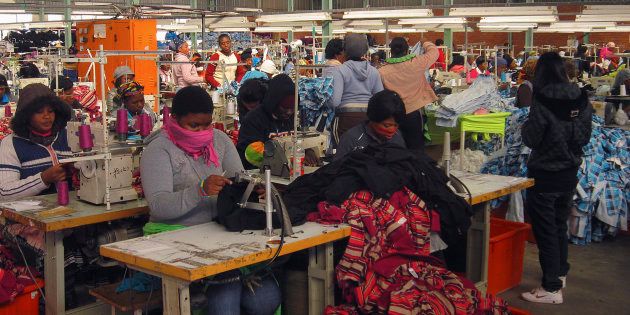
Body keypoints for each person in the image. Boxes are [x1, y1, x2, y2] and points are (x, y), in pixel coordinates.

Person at [140, 86, 281, 314]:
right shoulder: (158, 150)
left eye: (206, 124)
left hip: (220, 231)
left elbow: (239, 181)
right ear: (175, 119)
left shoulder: (219, 140)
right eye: (194, 125)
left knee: (266, 298)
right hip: (174, 236)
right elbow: (158, 205)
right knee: (226, 300)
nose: (202, 131)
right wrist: (200, 191)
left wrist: (253, 191)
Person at [520, 52, 592, 305]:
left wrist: (524, 127)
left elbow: (532, 138)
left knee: (546, 230)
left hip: (545, 172)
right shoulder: (582, 97)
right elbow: (584, 137)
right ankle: (560, 273)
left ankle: (551, 288)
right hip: (569, 172)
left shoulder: (542, 98)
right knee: (559, 226)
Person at [0, 83, 73, 199]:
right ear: (26, 115)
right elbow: (4, 193)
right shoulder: (11, 144)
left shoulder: (69, 136)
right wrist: (43, 179)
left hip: (73, 212)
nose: (46, 116)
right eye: (39, 112)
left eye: (51, 111)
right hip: (29, 215)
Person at [378, 37, 438, 150]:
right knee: (415, 147)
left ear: (391, 51)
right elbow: (434, 52)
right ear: (407, 50)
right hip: (413, 113)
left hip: (393, 116)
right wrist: (425, 42)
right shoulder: (417, 63)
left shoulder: (382, 71)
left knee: (395, 148)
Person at [329, 33, 384, 145]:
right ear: (365, 50)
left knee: (344, 154)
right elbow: (381, 99)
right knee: (366, 153)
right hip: (368, 119)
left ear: (345, 50)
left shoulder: (340, 70)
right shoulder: (374, 71)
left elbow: (335, 102)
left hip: (345, 119)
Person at [236, 74, 295, 169]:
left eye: (292, 108)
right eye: (284, 108)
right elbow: (250, 156)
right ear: (273, 102)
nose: (288, 112)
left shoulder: (291, 117)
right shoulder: (252, 120)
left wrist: (308, 151)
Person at [335, 89, 406, 160]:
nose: (392, 130)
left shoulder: (397, 137)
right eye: (387, 126)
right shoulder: (351, 139)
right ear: (373, 119)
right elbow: (336, 168)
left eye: (396, 125)